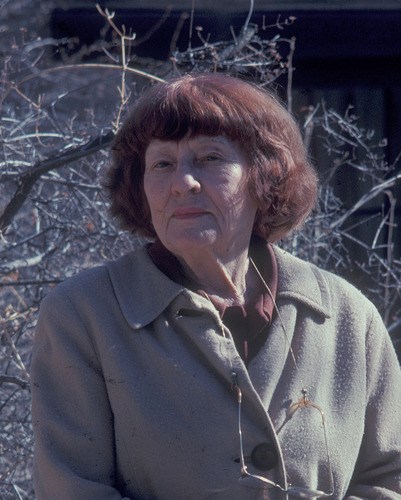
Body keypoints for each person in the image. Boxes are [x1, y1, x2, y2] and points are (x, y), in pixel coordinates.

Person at [31, 73, 401, 499]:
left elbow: (390, 478)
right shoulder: (84, 315)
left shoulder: (348, 317)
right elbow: (73, 489)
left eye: (209, 158)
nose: (182, 182)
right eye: (162, 164)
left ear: (264, 177)